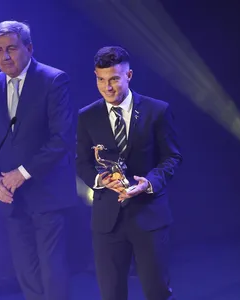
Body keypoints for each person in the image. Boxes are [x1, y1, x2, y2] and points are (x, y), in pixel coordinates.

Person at [0, 20, 77, 300]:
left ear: (29, 48)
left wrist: (23, 172)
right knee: (26, 273)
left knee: (52, 270)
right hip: (11, 197)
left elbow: (61, 139)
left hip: (47, 193)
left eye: (12, 49)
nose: (5, 56)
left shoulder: (53, 80)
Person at [76, 46, 182, 300]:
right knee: (111, 294)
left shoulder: (157, 110)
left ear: (129, 75)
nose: (107, 87)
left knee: (157, 293)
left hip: (149, 216)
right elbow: (81, 163)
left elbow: (172, 156)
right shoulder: (87, 116)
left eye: (113, 79)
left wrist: (149, 183)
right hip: (107, 221)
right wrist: (100, 181)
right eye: (101, 80)